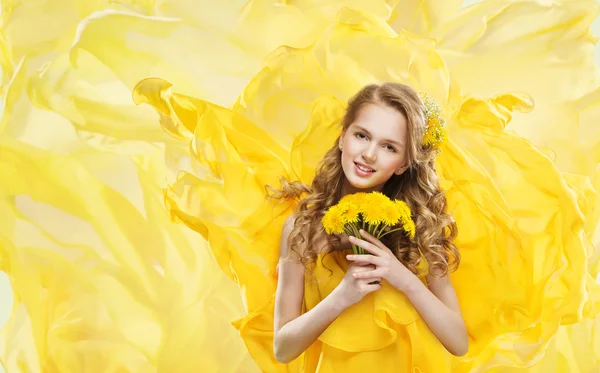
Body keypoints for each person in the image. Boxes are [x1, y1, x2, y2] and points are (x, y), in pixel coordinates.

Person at [271, 83, 469, 367]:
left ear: (403, 163)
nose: (369, 154)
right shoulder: (303, 227)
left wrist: (403, 278)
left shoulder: (419, 228)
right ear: (342, 137)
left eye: (389, 147)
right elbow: (282, 348)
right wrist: (342, 296)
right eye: (362, 136)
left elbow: (458, 343)